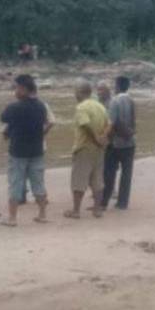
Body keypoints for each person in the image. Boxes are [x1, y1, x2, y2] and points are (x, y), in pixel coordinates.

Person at [0, 75, 49, 227]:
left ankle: (12, 218)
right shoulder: (41, 106)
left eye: (16, 88)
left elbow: (3, 118)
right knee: (38, 183)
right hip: (36, 150)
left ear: (23, 89)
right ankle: (42, 214)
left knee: (15, 184)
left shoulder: (15, 107)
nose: (15, 91)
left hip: (18, 152)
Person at [64, 80, 110, 219]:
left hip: (84, 147)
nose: (74, 95)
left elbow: (85, 125)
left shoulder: (81, 107)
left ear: (80, 92)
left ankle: (76, 211)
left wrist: (96, 137)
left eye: (75, 92)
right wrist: (102, 137)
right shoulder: (100, 106)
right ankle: (97, 210)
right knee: (97, 179)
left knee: (79, 180)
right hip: (99, 148)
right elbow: (109, 124)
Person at [101, 76, 136, 210]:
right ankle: (122, 203)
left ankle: (104, 202)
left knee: (109, 173)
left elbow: (111, 123)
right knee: (126, 174)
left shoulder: (114, 101)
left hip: (115, 144)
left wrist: (103, 137)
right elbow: (133, 122)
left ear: (117, 86)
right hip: (130, 142)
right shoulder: (131, 100)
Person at [17, 86, 56, 204]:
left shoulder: (19, 105)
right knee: (37, 171)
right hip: (38, 144)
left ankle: (22, 195)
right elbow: (52, 121)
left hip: (21, 145)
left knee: (21, 170)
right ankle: (41, 196)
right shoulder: (42, 105)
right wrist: (42, 133)